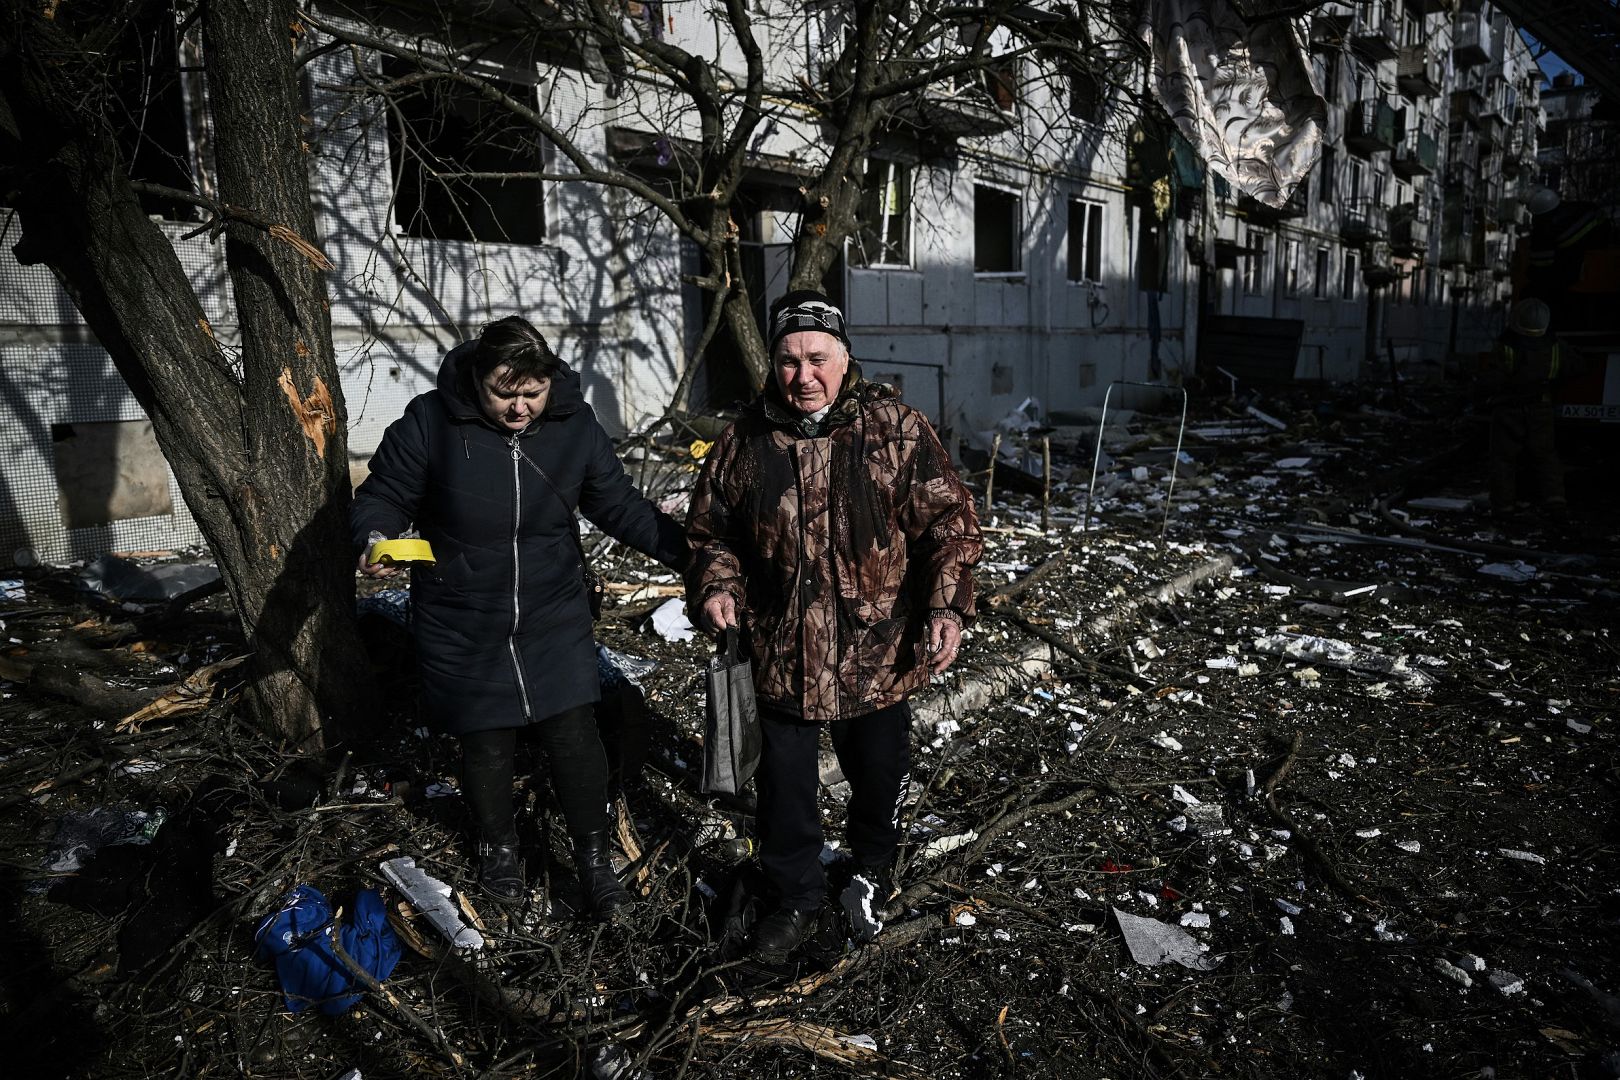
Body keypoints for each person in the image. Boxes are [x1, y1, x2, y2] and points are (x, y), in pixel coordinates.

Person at [352, 316, 687, 918]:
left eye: (531, 392)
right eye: (504, 393)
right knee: (485, 740)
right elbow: (385, 494)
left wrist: (691, 552)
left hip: (551, 609)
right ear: (477, 379)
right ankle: (499, 852)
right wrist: (376, 535)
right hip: (462, 614)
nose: (519, 408)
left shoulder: (573, 425)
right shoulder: (431, 421)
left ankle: (593, 860)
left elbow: (619, 506)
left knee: (573, 731)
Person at [685, 290, 982, 963]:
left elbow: (951, 526)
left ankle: (872, 873)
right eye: (788, 361)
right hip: (780, 652)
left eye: (817, 358)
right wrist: (720, 586)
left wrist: (944, 607)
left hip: (875, 651)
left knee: (878, 776)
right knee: (784, 791)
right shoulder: (744, 439)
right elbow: (711, 533)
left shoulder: (895, 429)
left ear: (844, 359)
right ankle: (795, 898)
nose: (803, 376)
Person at [1481, 298, 1573, 518]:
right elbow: (1576, 366)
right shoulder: (1556, 347)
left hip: (1508, 409)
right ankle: (1555, 501)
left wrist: (1478, 396)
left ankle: (1503, 507)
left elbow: (1490, 380)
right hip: (1541, 408)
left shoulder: (1507, 346)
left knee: (1504, 459)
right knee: (1545, 455)